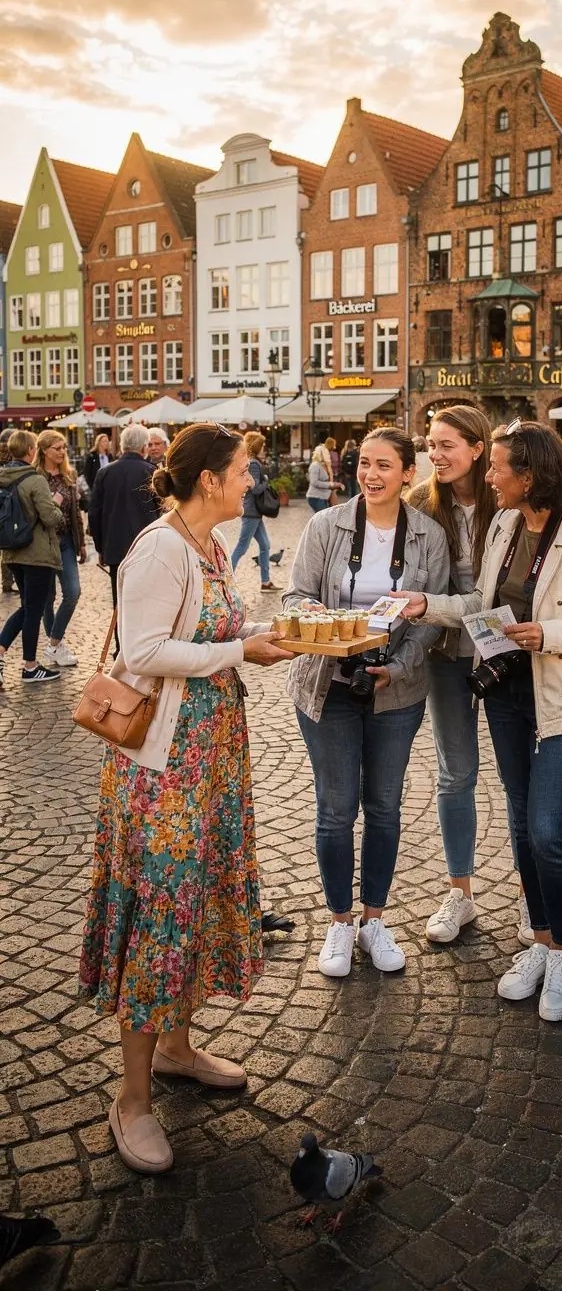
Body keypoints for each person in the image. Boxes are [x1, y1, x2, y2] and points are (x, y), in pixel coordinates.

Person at [78, 423, 294, 1176]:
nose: (251, 482)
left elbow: (222, 629)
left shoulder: (206, 547)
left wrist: (279, 634)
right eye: (242, 471)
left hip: (210, 761)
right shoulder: (160, 547)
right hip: (162, 767)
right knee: (161, 915)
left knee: (195, 902)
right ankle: (131, 1100)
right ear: (209, 479)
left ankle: (175, 1048)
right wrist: (241, 650)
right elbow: (142, 652)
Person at [399, 422, 562, 1021]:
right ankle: (537, 940)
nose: (492, 478)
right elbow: (482, 604)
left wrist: (549, 634)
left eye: (500, 469)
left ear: (529, 476)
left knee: (549, 829)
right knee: (521, 820)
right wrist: (430, 605)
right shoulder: (505, 524)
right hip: (506, 691)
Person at [284, 428, 449, 978]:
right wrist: (333, 633)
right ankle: (338, 921)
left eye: (384, 465)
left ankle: (374, 919)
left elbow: (430, 619)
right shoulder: (324, 526)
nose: (371, 474)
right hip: (326, 684)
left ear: (408, 473)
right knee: (335, 810)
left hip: (396, 690)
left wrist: (397, 666)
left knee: (383, 806)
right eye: (363, 463)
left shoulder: (428, 534)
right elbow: (295, 596)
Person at [407, 405, 498, 943]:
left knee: (517, 776)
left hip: (505, 649)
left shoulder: (505, 497)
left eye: (446, 446)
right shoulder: (422, 501)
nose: (435, 456)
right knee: (456, 771)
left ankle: (536, 901)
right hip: (445, 649)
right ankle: (459, 892)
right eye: (431, 445)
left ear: (478, 448)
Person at [0, 429, 63, 687]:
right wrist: (57, 503)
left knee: (28, 607)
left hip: (11, 551)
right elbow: (51, 518)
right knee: (33, 610)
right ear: (30, 451)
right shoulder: (35, 480)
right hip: (36, 553)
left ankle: (3, 652)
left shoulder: (3, 477)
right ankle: (30, 667)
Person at [88, 423, 158, 653]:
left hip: (116, 548)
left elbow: (94, 513)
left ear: (122, 445)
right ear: (144, 447)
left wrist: (100, 547)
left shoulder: (105, 472)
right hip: (148, 547)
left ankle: (121, 649)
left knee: (120, 602)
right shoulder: (150, 472)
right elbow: (162, 511)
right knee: (148, 600)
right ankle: (145, 647)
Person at [35, 430, 85, 669]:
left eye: (64, 447)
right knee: (48, 598)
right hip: (42, 543)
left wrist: (82, 542)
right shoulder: (36, 477)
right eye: (58, 448)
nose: (63, 451)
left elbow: (75, 513)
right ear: (44, 450)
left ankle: (53, 643)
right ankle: (57, 646)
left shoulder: (69, 476)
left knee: (73, 592)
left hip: (65, 540)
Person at [230, 432, 279, 591]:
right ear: (258, 446)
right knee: (242, 547)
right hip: (251, 511)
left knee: (265, 545)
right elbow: (256, 488)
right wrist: (266, 481)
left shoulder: (250, 462)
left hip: (254, 512)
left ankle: (265, 581)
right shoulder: (254, 465)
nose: (265, 448)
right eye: (263, 445)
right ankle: (225, 578)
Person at [0, 429, 16, 594]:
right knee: (8, 546)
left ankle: (6, 581)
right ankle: (8, 580)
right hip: (9, 505)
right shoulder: (13, 457)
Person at [306, 445, 341, 514]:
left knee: (323, 519)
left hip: (323, 496)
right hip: (315, 496)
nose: (328, 454)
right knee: (322, 520)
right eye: (326, 453)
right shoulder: (315, 465)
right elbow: (314, 482)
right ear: (321, 454)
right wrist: (330, 485)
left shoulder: (324, 465)